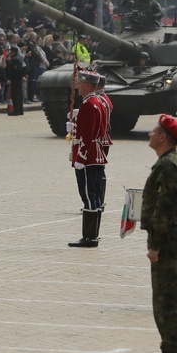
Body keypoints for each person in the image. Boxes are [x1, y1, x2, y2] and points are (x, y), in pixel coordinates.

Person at [140, 114, 177, 353]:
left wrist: (154, 245)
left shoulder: (168, 166)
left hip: (169, 238)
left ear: (163, 137)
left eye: (153, 131)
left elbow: (163, 209)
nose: (149, 134)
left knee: (166, 302)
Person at [67, 70, 110, 248]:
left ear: (88, 85)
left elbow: (87, 135)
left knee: (88, 195)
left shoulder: (90, 104)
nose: (78, 86)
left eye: (81, 83)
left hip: (89, 156)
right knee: (93, 195)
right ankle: (92, 236)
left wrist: (80, 158)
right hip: (95, 154)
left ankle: (90, 237)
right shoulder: (96, 102)